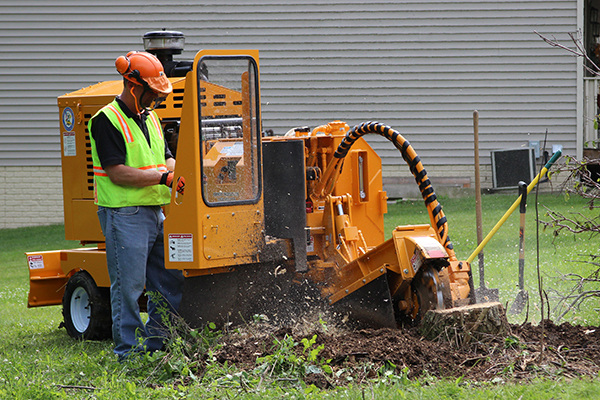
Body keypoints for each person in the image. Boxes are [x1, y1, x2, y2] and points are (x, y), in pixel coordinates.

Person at [88, 51, 185, 360]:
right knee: (129, 288)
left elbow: (166, 155)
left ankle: (160, 343)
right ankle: (129, 353)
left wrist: (175, 171)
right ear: (134, 87)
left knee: (169, 278)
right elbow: (117, 172)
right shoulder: (106, 120)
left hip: (156, 211)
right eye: (153, 94)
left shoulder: (152, 118)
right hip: (124, 214)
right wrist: (162, 178)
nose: (156, 100)